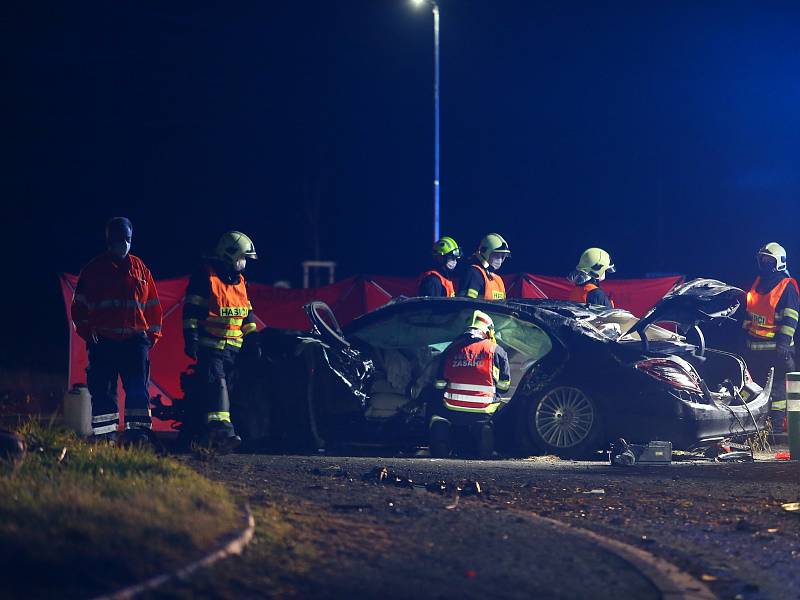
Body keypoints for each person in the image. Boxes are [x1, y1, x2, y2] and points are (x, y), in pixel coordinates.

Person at [71, 217, 162, 444]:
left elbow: (152, 305)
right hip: (103, 341)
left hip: (135, 340)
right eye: (120, 239)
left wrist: (151, 335)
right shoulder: (93, 270)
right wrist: (86, 330)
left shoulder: (141, 269)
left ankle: (138, 435)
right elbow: (78, 306)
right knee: (103, 390)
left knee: (137, 389)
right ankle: (105, 436)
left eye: (128, 239)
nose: (124, 243)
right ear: (109, 240)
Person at [182, 231, 261, 450]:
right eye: (241, 257)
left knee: (226, 392)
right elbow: (191, 312)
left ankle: (208, 436)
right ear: (229, 255)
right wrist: (192, 338)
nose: (243, 263)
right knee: (218, 386)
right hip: (211, 347)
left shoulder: (240, 281)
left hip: (234, 350)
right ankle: (225, 432)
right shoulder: (206, 277)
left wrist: (252, 337)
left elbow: (247, 314)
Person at [430, 310, 511, 458]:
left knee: (437, 415)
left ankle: (440, 447)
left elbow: (439, 385)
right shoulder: (496, 351)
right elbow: (504, 387)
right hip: (484, 410)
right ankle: (486, 438)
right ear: (488, 331)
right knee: (500, 411)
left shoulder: (451, 349)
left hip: (452, 408)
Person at [742, 242, 799, 433]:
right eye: (762, 259)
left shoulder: (786, 286)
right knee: (756, 389)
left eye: (768, 259)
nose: (764, 262)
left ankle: (775, 428)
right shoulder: (758, 282)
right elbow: (751, 312)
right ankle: (758, 427)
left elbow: (791, 318)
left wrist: (783, 345)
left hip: (778, 350)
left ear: (778, 262)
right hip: (755, 349)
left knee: (778, 391)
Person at [458, 233, 511, 300]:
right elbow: (466, 305)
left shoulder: (498, 279)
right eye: (496, 255)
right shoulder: (475, 273)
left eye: (502, 256)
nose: (499, 260)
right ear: (485, 253)